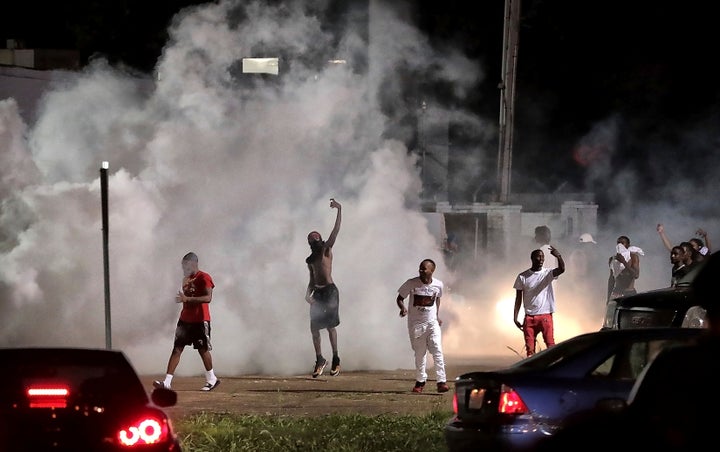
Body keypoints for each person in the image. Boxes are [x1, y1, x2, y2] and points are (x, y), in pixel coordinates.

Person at [154, 252, 220, 391]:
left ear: (193, 263)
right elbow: (183, 297)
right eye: (182, 265)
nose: (183, 267)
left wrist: (187, 299)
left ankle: (212, 378)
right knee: (177, 349)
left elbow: (208, 298)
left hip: (200, 320)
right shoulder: (185, 279)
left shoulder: (204, 277)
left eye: (186, 264)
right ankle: (167, 382)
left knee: (203, 349)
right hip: (185, 320)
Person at [396, 258, 449, 393]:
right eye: (420, 268)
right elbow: (400, 298)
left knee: (437, 349)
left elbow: (437, 299)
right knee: (420, 353)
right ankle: (420, 381)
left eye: (424, 268)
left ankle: (441, 381)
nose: (420, 270)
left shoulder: (438, 285)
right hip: (416, 324)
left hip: (432, 323)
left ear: (432, 271)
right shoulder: (411, 283)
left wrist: (436, 316)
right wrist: (402, 308)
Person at [305, 198, 342, 378]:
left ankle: (335, 358)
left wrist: (339, 209)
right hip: (318, 292)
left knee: (330, 326)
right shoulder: (310, 260)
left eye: (316, 237)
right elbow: (312, 279)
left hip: (330, 291)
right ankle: (319, 358)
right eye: (311, 238)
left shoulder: (326, 250)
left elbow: (335, 231)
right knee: (314, 327)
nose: (314, 239)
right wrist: (308, 294)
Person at [513, 246, 566, 357]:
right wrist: (515, 316)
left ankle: (553, 369)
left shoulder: (547, 273)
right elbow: (518, 298)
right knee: (530, 350)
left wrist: (558, 256)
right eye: (538, 256)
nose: (541, 259)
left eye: (543, 257)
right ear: (532, 258)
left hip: (545, 316)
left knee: (550, 346)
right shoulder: (523, 276)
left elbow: (561, 269)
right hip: (529, 318)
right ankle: (532, 372)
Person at [607, 236, 643, 300]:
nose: (620, 245)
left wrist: (624, 262)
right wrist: (608, 298)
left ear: (628, 245)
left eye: (622, 243)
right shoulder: (613, 259)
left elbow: (636, 275)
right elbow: (611, 280)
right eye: (618, 243)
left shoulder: (633, 257)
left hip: (629, 293)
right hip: (617, 292)